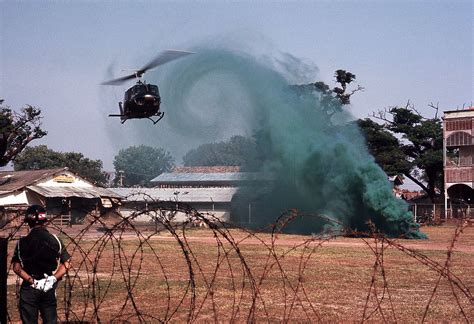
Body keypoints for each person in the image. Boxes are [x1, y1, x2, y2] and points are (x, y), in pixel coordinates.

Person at [11, 205, 71, 324]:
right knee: (50, 320)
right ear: (44, 221)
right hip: (48, 284)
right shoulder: (55, 239)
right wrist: (53, 279)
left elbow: (17, 268)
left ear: (28, 222)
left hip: (29, 287)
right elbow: (67, 264)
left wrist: (33, 282)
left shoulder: (21, 242)